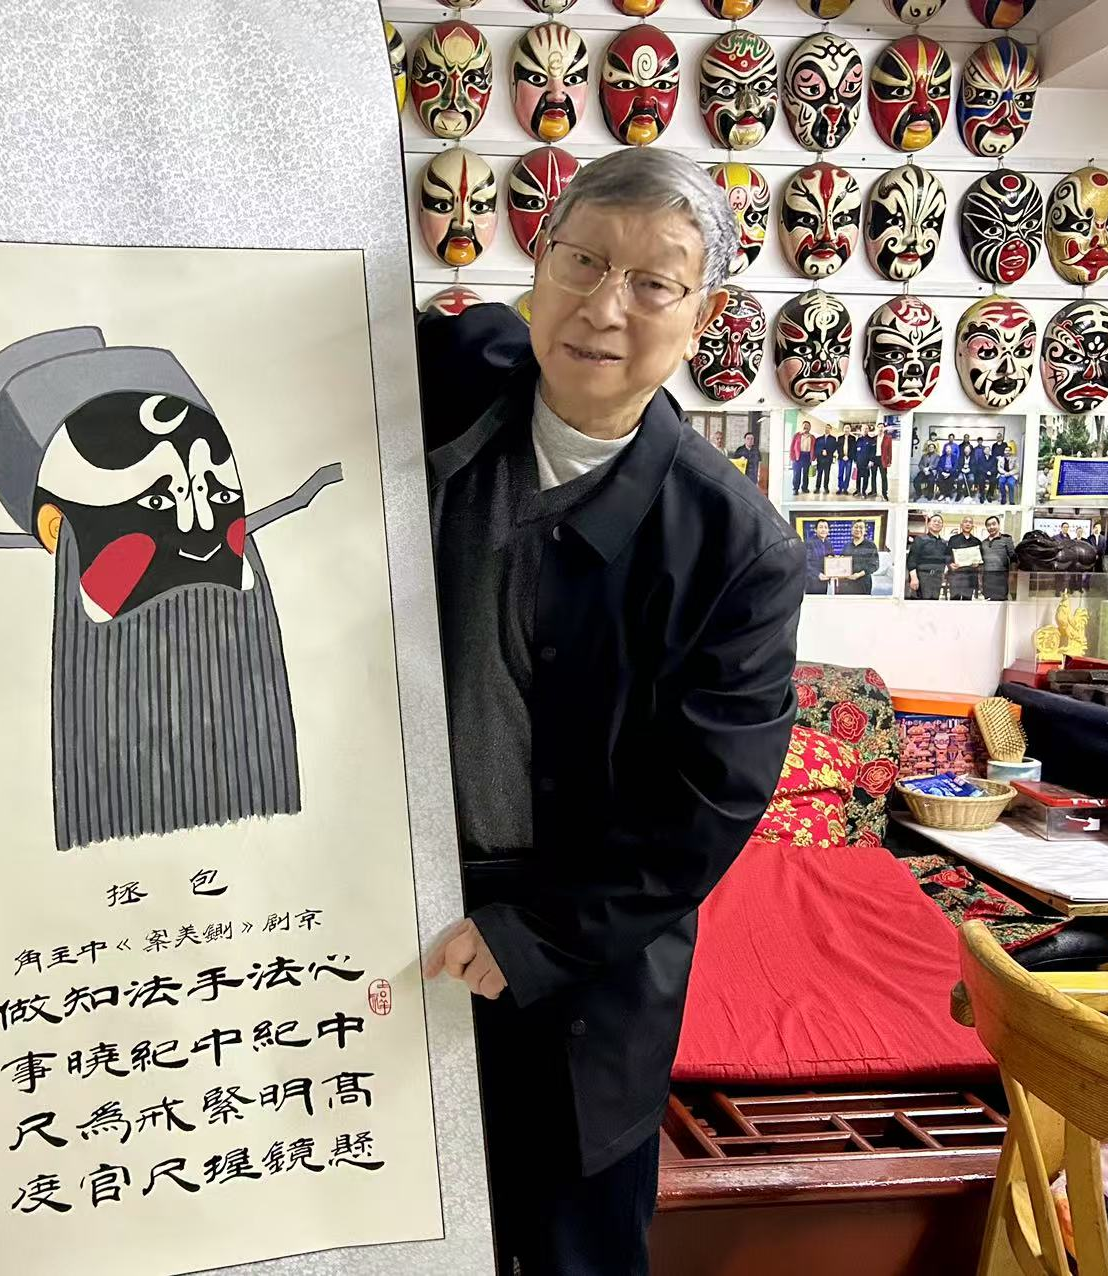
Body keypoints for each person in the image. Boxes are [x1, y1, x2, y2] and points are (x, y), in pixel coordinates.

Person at [415, 146, 805, 1276]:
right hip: (383, 909)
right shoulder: (448, 382)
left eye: (652, 283)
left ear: (703, 314)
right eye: (581, 263)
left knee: (567, 1249)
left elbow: (705, 805)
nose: (603, 307)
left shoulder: (735, 548)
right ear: (537, 262)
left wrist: (537, 939)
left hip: (576, 963)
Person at [907, 512, 950, 599]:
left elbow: (947, 559)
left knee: (933, 603)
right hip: (922, 576)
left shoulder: (944, 543)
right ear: (929, 524)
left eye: (939, 522)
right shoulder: (920, 539)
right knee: (921, 603)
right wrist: (914, 578)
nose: (937, 523)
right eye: (934, 521)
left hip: (937, 578)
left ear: (942, 526)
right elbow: (912, 560)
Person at [838, 519, 879, 595]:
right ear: (852, 529)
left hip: (863, 583)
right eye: (856, 527)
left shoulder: (871, 545)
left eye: (861, 527)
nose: (858, 529)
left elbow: (874, 565)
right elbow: (842, 560)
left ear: (865, 530)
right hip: (846, 583)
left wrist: (859, 574)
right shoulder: (847, 545)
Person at [946, 516, 982, 600]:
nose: (968, 524)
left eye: (970, 522)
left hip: (970, 577)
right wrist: (950, 564)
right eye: (966, 522)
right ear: (961, 525)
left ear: (972, 526)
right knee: (954, 600)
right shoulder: (953, 539)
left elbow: (980, 559)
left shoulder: (977, 542)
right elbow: (947, 555)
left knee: (967, 601)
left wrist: (977, 564)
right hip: (956, 576)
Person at [981, 515, 1015, 601]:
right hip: (987, 578)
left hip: (1001, 578)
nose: (991, 527)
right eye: (988, 525)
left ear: (999, 525)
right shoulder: (983, 543)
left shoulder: (1006, 539)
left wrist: (1012, 575)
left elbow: (1013, 558)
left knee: (1001, 602)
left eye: (994, 524)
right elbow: (981, 561)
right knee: (988, 602)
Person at [805, 519, 834, 595]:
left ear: (828, 530)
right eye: (821, 527)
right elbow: (805, 563)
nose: (823, 530)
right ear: (815, 530)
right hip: (812, 581)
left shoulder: (828, 543)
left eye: (825, 527)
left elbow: (832, 559)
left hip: (825, 580)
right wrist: (817, 574)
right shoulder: (809, 543)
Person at [790, 420, 813, 495]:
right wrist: (792, 456)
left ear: (810, 428)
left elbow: (814, 447)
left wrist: (813, 457)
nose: (806, 427)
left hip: (807, 456)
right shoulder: (797, 435)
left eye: (807, 426)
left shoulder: (812, 437)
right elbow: (792, 446)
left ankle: (804, 488)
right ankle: (795, 489)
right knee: (797, 473)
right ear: (802, 426)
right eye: (804, 425)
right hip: (798, 456)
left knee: (806, 474)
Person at [814, 423, 839, 494]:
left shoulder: (833, 439)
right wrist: (821, 451)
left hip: (828, 459)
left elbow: (834, 448)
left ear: (830, 429)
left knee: (827, 474)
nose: (826, 429)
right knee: (819, 474)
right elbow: (816, 448)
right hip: (820, 459)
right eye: (826, 427)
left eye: (828, 428)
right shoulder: (819, 439)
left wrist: (827, 451)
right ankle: (817, 488)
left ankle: (826, 488)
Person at [854, 424, 877, 497]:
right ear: (861, 430)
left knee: (866, 477)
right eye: (864, 428)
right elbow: (855, 450)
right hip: (859, 462)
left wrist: (871, 460)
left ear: (868, 430)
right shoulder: (858, 440)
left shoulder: (871, 440)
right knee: (858, 477)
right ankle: (858, 490)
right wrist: (855, 460)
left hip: (867, 462)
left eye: (866, 428)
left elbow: (873, 451)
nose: (865, 430)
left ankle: (863, 491)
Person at [969, 439, 989, 503]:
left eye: (981, 441)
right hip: (976, 465)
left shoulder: (984, 448)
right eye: (979, 441)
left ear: (982, 441)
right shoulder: (975, 449)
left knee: (981, 477)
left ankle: (982, 491)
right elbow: (973, 457)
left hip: (983, 466)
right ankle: (976, 487)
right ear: (977, 442)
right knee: (976, 474)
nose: (980, 442)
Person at [876, 424, 893, 500]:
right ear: (877, 428)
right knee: (873, 476)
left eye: (882, 427)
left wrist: (890, 461)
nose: (880, 428)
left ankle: (884, 493)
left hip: (883, 459)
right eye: (879, 427)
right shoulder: (874, 438)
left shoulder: (888, 438)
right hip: (874, 459)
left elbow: (890, 450)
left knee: (884, 477)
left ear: (884, 428)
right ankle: (873, 491)